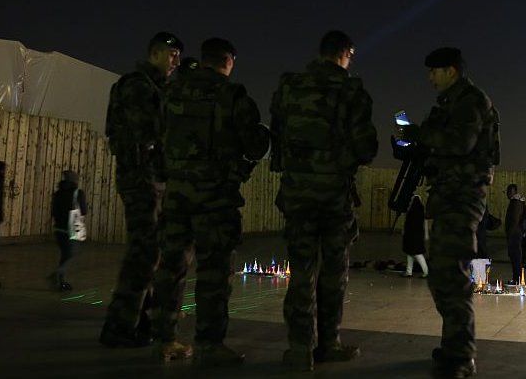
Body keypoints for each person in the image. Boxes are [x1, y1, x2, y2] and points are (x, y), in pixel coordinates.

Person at [153, 37, 269, 365]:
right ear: (228, 61)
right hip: (215, 198)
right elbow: (255, 143)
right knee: (214, 273)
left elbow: (157, 136)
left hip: (176, 195)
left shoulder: (172, 92)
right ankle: (209, 344)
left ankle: (164, 338)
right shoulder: (232, 96)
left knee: (170, 267)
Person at [271, 30, 378, 371]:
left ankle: (299, 347)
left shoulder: (290, 86)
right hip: (333, 197)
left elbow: (277, 136)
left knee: (302, 270)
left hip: (297, 193)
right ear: (346, 52)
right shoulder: (350, 90)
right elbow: (366, 148)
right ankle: (328, 343)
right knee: (333, 272)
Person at [399, 47, 499, 379]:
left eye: (434, 71)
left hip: (463, 195)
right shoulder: (447, 104)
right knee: (443, 273)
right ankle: (454, 345)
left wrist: (421, 135)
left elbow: (460, 144)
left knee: (451, 273)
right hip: (447, 195)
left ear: (451, 71)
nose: (429, 77)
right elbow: (439, 146)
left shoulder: (470, 100)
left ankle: (462, 355)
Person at [101, 32, 183, 348]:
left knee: (152, 252)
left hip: (153, 178)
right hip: (141, 178)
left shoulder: (157, 88)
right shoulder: (137, 86)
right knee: (144, 252)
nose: (175, 60)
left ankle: (140, 323)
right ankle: (120, 325)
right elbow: (150, 129)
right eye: (171, 54)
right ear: (155, 54)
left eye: (177, 55)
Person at [50, 170, 87, 291]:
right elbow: (84, 210)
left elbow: (53, 211)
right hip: (73, 227)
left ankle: (61, 281)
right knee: (72, 253)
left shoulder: (57, 193)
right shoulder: (78, 193)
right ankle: (57, 275)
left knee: (64, 254)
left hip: (58, 227)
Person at [503, 184, 526, 285]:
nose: (507, 193)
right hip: (517, 233)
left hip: (514, 235)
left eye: (509, 191)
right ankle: (517, 278)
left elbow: (514, 220)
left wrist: (510, 234)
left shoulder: (515, 203)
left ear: (514, 192)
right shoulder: (519, 202)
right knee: (516, 257)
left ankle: (517, 279)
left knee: (515, 258)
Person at [402, 195, 428, 278]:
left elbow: (406, 224)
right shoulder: (422, 212)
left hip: (410, 235)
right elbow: (425, 224)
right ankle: (409, 271)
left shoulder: (410, 212)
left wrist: (404, 232)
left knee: (413, 253)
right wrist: (426, 234)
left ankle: (425, 272)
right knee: (414, 253)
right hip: (418, 235)